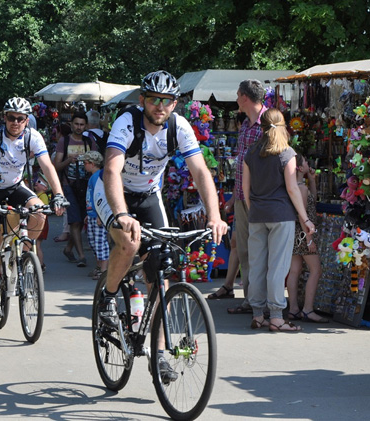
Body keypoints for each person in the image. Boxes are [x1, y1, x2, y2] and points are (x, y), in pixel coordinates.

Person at [94, 71, 226, 382]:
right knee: (128, 243)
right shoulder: (127, 122)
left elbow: (200, 171)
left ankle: (160, 354)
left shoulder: (179, 126)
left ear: (175, 104)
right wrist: (122, 214)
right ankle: (108, 297)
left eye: (166, 101)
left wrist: (215, 215)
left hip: (149, 195)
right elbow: (112, 169)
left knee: (160, 273)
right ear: (142, 100)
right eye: (154, 99)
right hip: (113, 192)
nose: (160, 106)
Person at [0, 97, 67, 318]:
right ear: (4, 117)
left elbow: (47, 165)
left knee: (39, 212)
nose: (15, 122)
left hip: (16, 187)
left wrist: (58, 195)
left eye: (20, 119)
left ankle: (24, 256)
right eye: (11, 118)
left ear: (27, 121)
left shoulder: (32, 137)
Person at [243, 108, 315, 332]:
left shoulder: (251, 152)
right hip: (281, 216)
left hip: (257, 216)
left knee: (257, 265)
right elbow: (293, 189)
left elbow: (245, 189)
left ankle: (257, 314)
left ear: (261, 128)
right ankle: (276, 316)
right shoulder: (287, 153)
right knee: (277, 266)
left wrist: (252, 209)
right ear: (282, 126)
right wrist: (305, 219)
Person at [226, 79, 267, 315]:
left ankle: (257, 300)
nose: (236, 99)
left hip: (258, 198)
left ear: (244, 97)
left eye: (237, 94)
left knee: (258, 250)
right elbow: (240, 166)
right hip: (241, 197)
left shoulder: (267, 125)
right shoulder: (245, 126)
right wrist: (233, 197)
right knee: (243, 249)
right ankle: (250, 299)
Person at [285, 154, 328, 323]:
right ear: (299, 168)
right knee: (316, 270)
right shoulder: (300, 188)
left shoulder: (297, 186)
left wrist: (312, 180)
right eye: (305, 162)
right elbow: (304, 216)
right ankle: (308, 309)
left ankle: (293, 308)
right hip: (303, 233)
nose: (308, 164)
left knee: (295, 270)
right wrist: (309, 239)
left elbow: (312, 202)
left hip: (294, 232)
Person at [54, 111, 96, 267]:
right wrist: (68, 161)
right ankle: (82, 256)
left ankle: (69, 248)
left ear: (86, 125)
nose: (79, 127)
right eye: (76, 124)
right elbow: (56, 166)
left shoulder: (88, 141)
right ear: (71, 124)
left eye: (82, 124)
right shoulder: (64, 142)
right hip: (69, 185)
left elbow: (96, 162)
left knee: (80, 221)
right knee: (76, 221)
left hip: (86, 185)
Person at [80, 150, 109, 280]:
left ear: (92, 163)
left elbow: (100, 196)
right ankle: (99, 267)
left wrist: (99, 214)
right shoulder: (93, 177)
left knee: (100, 242)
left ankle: (104, 270)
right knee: (93, 241)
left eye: (85, 163)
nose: (84, 166)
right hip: (92, 214)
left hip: (98, 215)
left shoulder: (98, 176)